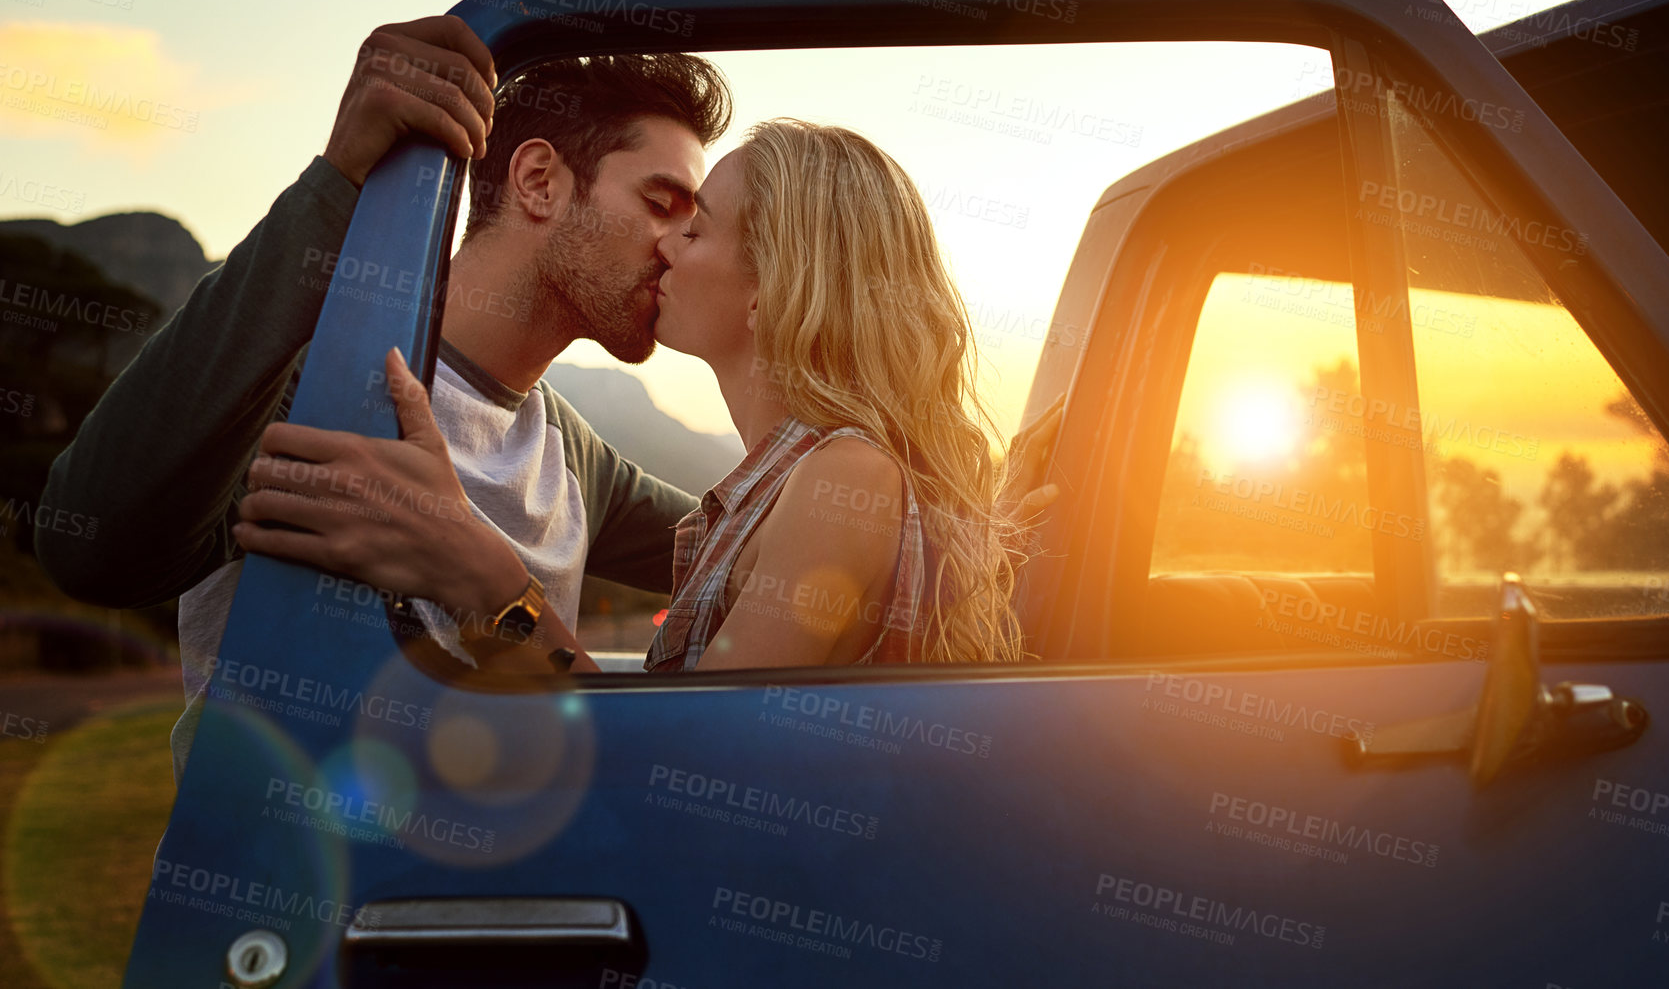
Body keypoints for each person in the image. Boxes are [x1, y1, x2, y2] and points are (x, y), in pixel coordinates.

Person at [35, 16, 733, 780]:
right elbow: (89, 549)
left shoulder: (570, 452)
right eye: (660, 202)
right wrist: (337, 182)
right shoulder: (315, 383)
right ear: (539, 182)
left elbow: (756, 548)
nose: (676, 247)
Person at [235, 118, 1059, 671]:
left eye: (694, 228)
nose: (664, 245)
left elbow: (678, 771)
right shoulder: (788, 487)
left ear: (771, 289)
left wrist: (483, 576)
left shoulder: (843, 481)